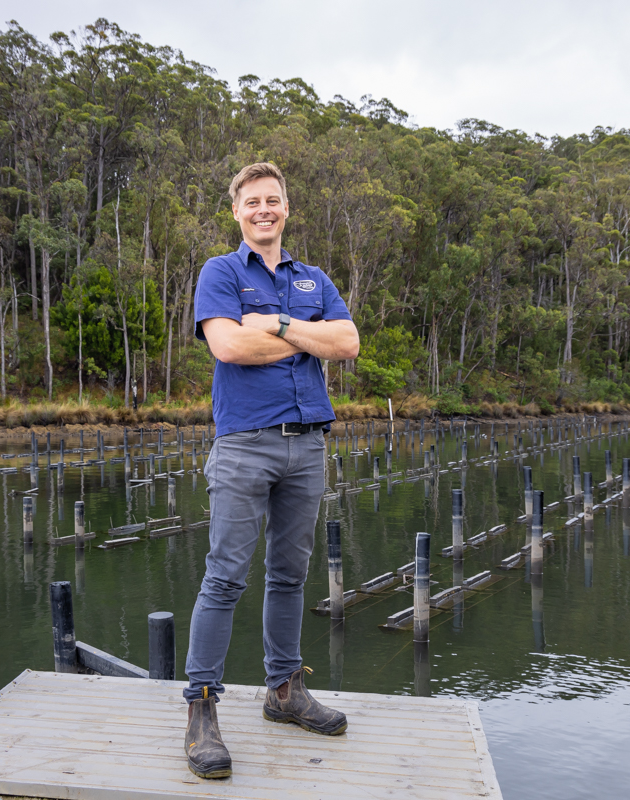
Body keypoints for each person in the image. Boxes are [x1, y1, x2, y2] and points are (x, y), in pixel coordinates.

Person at [182, 162, 360, 779]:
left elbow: (349, 344)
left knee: (289, 575)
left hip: (306, 446)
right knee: (225, 576)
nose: (264, 209)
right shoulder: (221, 273)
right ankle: (201, 708)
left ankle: (284, 692)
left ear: (287, 208)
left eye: (273, 200)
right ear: (237, 211)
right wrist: (311, 337)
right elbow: (228, 347)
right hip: (244, 446)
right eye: (252, 201)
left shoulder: (314, 279)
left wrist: (281, 324)